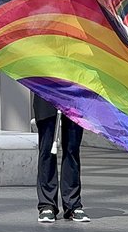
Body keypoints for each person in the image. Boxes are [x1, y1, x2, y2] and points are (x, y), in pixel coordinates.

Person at [32, 95, 90, 224]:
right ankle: (47, 205)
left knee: (72, 150)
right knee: (47, 150)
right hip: (46, 91)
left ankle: (73, 205)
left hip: (73, 94)